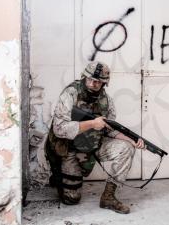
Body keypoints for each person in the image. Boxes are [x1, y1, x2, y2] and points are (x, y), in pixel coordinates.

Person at [45, 61, 145, 214]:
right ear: (84, 77)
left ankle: (109, 197)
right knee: (71, 199)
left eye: (98, 81)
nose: (93, 83)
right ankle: (59, 176)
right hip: (69, 148)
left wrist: (131, 140)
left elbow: (109, 130)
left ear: (104, 83)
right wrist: (92, 123)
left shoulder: (107, 101)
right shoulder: (70, 94)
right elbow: (59, 129)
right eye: (90, 79)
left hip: (92, 145)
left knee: (126, 148)